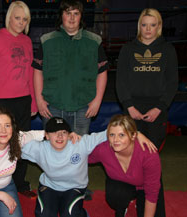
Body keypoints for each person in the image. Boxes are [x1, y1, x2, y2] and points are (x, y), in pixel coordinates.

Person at [21, 116, 155, 217]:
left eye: (63, 132)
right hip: (49, 186)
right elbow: (14, 140)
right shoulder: (38, 148)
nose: (60, 136)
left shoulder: (80, 143)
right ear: (46, 135)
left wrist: (137, 134)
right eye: (54, 132)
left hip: (74, 187)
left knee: (69, 214)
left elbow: (109, 133)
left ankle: (82, 213)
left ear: (69, 134)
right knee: (45, 215)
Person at [0, 1, 37, 198]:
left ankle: (20, 182)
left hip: (23, 100)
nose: (21, 22)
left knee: (21, 144)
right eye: (17, 18)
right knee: (0, 145)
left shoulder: (27, 41)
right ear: (9, 17)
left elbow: (30, 73)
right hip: (1, 102)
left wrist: (33, 101)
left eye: (25, 19)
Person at [33, 0, 108, 136]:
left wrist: (97, 101)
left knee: (78, 152)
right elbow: (38, 71)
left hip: (83, 107)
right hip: (52, 106)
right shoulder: (47, 41)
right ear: (61, 15)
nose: (72, 18)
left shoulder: (94, 41)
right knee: (54, 151)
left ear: (81, 16)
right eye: (68, 13)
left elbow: (102, 73)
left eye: (76, 13)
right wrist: (39, 100)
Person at [116, 8, 178, 150]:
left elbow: (172, 82)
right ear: (139, 26)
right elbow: (121, 81)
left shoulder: (168, 50)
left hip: (157, 109)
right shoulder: (128, 49)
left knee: (152, 152)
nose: (148, 29)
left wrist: (159, 108)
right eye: (144, 25)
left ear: (159, 26)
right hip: (132, 108)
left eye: (152, 25)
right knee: (130, 151)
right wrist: (129, 107)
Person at [89, 114, 165, 217]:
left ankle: (139, 204)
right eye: (112, 135)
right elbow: (80, 157)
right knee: (115, 195)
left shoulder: (149, 154)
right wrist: (70, 140)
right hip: (122, 185)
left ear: (133, 136)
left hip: (144, 186)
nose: (115, 140)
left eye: (121, 135)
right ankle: (123, 206)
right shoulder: (104, 150)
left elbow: (152, 193)